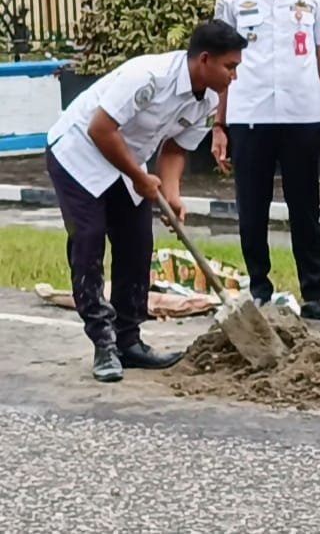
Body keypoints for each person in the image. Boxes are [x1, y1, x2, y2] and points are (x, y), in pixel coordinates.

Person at [44, 20, 248, 383]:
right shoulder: (148, 76)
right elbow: (100, 129)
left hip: (126, 159)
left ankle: (129, 340)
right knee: (89, 240)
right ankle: (103, 343)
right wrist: (140, 178)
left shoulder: (209, 100)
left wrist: (171, 191)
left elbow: (174, 148)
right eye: (230, 66)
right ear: (204, 60)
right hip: (78, 153)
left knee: (137, 242)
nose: (234, 75)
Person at [210, 0, 320, 321]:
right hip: (248, 116)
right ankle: (260, 290)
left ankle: (313, 293)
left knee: (305, 207)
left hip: (301, 116)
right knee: (251, 209)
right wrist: (219, 125)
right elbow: (221, 66)